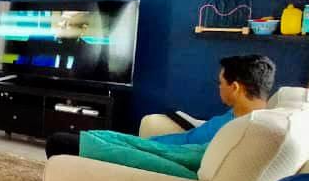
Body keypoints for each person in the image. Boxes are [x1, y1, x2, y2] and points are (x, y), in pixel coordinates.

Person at [44, 54, 276, 158]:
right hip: (152, 145)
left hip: (152, 154)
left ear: (235, 87)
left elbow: (182, 157)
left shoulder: (237, 130)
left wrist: (139, 148)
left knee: (58, 141)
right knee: (90, 136)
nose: (219, 87)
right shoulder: (245, 115)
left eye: (220, 83)